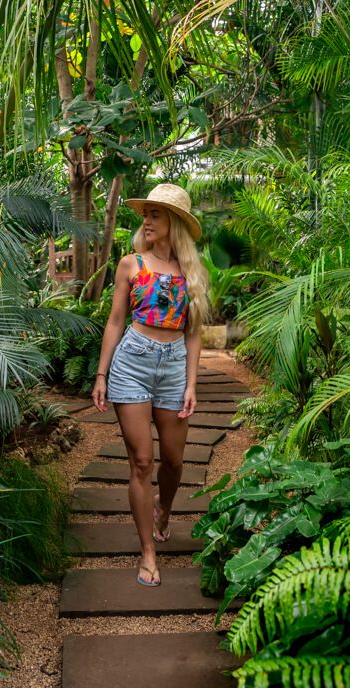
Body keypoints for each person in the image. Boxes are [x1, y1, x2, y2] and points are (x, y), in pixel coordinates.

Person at [92, 183, 209, 587]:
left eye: (155, 214)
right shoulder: (130, 264)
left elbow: (193, 333)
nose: (147, 220)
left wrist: (192, 384)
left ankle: (164, 509)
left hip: (175, 367)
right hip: (132, 364)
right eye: (146, 214)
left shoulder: (191, 272)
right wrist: (102, 373)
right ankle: (147, 552)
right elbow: (114, 322)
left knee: (174, 461)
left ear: (173, 222)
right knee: (142, 462)